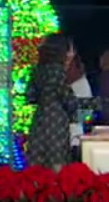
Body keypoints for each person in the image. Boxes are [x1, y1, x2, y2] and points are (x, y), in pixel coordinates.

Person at [26, 35, 82, 170]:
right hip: (56, 126)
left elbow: (30, 97)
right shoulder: (59, 72)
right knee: (57, 167)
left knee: (37, 171)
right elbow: (68, 100)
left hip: (39, 123)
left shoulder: (37, 71)